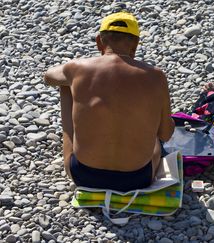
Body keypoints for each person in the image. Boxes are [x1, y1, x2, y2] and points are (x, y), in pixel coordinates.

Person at [44, 12, 174, 192]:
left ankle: (75, 145)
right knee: (154, 137)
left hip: (83, 175)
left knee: (66, 85)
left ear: (99, 41)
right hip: (137, 178)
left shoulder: (77, 68)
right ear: (135, 45)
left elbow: (49, 77)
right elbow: (166, 134)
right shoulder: (156, 76)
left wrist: (74, 75)